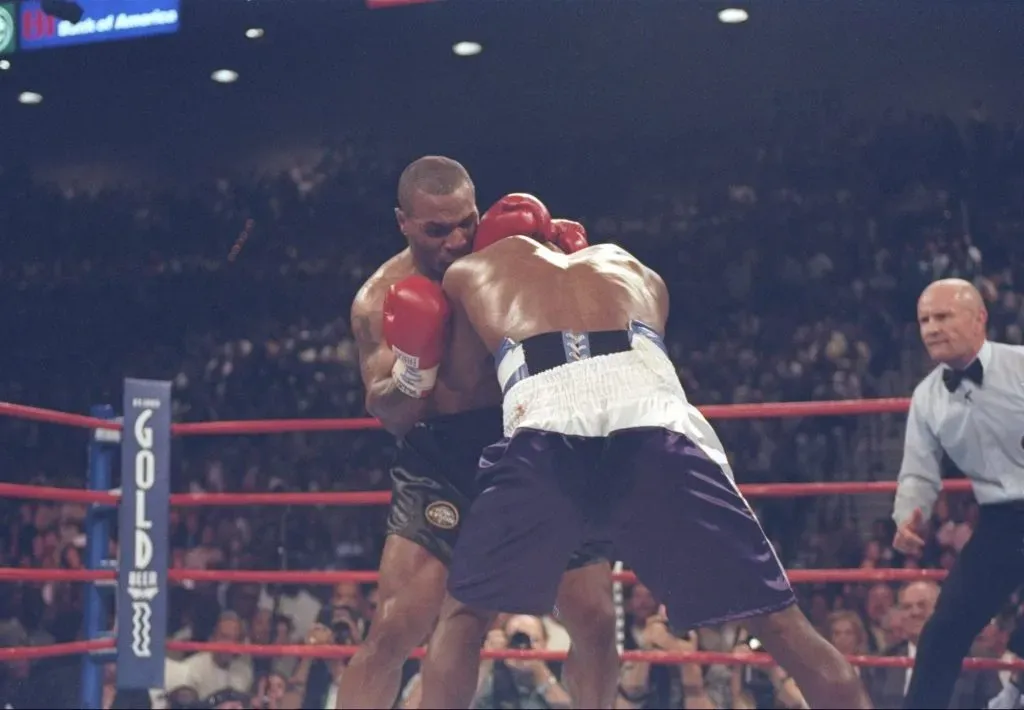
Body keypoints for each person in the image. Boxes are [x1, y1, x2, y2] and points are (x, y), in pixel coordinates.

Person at [416, 200, 873, 710]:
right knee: (782, 623)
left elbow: (460, 385)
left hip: (546, 421)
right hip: (656, 423)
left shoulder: (471, 272)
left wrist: (413, 362)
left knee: (464, 616)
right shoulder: (638, 270)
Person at [343, 156, 618, 709]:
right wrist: (413, 373)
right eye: (436, 230)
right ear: (403, 222)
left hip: (535, 436)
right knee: (398, 624)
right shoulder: (379, 299)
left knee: (594, 617)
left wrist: (570, 267)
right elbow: (390, 414)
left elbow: (593, 333)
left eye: (465, 223)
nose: (456, 241)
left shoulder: (515, 258)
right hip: (443, 456)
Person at [892, 278, 1024, 710]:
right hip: (1000, 520)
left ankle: (1016, 688)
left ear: (979, 318)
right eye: (924, 320)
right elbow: (918, 471)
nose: (932, 328)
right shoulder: (927, 397)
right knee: (944, 627)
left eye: (943, 316)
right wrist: (908, 517)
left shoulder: (1020, 366)